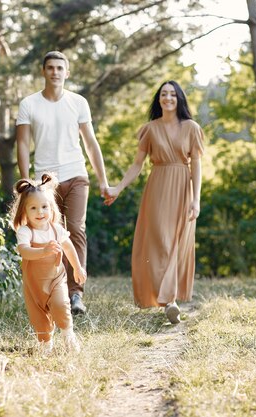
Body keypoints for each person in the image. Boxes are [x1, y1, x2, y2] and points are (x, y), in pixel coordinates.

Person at [16, 50, 109, 315]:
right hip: (44, 182)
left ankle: (76, 294)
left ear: (67, 72)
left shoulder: (78, 102)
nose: (55, 72)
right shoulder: (29, 104)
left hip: (76, 174)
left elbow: (90, 143)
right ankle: (50, 292)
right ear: (43, 71)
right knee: (47, 234)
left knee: (76, 229)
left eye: (60, 68)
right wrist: (27, 182)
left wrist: (103, 181)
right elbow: (22, 143)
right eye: (50, 68)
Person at [104, 80, 204, 324]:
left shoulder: (191, 127)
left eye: (172, 94)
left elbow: (197, 165)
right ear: (158, 99)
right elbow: (137, 164)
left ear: (179, 99)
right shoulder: (150, 129)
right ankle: (168, 300)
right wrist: (118, 187)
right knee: (160, 241)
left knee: (175, 242)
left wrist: (196, 199)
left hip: (183, 187)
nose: (167, 98)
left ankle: (170, 300)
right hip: (157, 187)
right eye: (163, 94)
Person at [10, 173, 86, 353]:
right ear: (25, 211)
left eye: (44, 207)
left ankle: (68, 335)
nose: (40, 212)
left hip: (55, 279)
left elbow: (68, 247)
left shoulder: (56, 230)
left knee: (61, 306)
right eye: (33, 208)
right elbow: (24, 251)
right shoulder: (25, 232)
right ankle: (45, 344)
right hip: (34, 284)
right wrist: (43, 251)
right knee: (39, 319)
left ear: (52, 209)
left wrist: (77, 267)